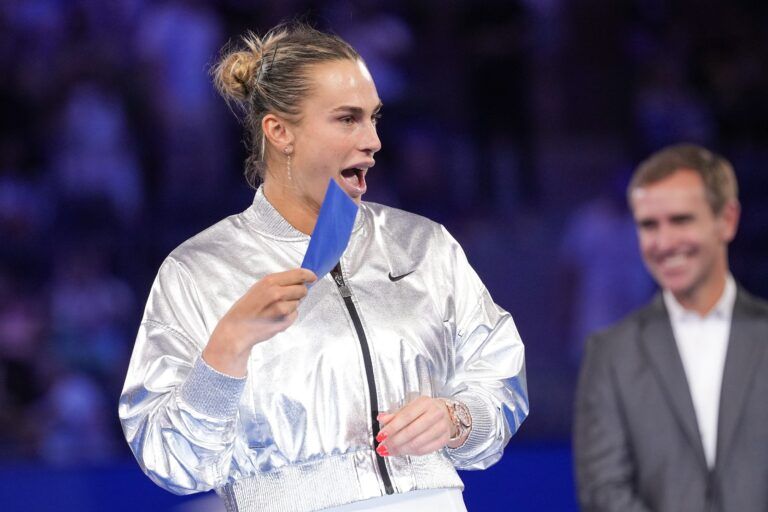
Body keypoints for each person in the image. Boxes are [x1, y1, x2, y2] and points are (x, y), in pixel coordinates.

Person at [119, 23, 528, 512]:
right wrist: (227, 346)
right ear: (279, 131)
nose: (374, 140)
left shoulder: (424, 245)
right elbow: (170, 459)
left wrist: (458, 417)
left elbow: (500, 377)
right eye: (347, 119)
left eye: (374, 118)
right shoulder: (199, 271)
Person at [574, 143, 768, 512]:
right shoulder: (611, 354)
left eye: (681, 220)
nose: (664, 243)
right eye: (649, 225)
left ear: (726, 220)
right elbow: (603, 491)